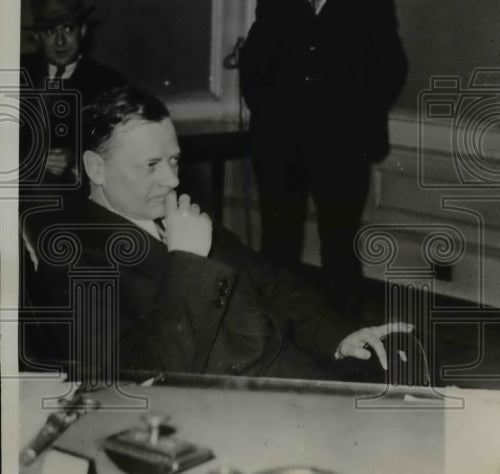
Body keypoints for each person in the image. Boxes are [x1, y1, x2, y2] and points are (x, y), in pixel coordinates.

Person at [22, 85, 411, 381]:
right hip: (230, 413)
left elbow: (275, 284)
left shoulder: (179, 213)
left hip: (299, 375)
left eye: (174, 160)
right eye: (151, 165)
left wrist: (339, 337)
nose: (172, 179)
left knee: (412, 361)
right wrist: (187, 261)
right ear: (96, 168)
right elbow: (141, 377)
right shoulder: (73, 259)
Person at [240, 0, 407, 309]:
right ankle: (275, 334)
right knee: (278, 246)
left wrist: (355, 120)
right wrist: (270, 114)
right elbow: (255, 62)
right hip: (280, 144)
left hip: (343, 145)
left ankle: (345, 337)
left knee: (339, 247)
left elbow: (390, 66)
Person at [20, 0, 127, 193]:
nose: (60, 41)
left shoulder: (109, 84)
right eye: (50, 31)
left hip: (74, 203)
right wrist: (29, 158)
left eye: (68, 28)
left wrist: (74, 159)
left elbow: (119, 152)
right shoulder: (16, 73)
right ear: (38, 37)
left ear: (83, 30)